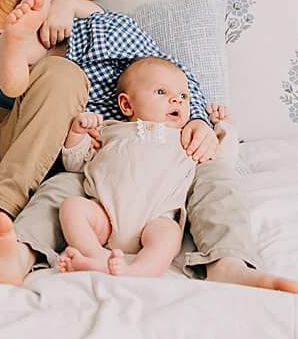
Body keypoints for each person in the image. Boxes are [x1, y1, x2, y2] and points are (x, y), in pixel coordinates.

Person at [0, 0, 295, 292]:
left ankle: (5, 227)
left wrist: (195, 119)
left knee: (63, 78)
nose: (49, 6)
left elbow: (165, 73)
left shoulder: (98, 36)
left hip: (30, 164)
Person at [56, 59, 207, 279]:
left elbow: (217, 158)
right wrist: (77, 134)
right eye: (161, 91)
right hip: (105, 214)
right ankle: (95, 255)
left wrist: (224, 127)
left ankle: (139, 270)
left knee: (170, 235)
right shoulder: (109, 132)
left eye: (183, 96)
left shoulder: (186, 138)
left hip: (156, 220)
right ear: (127, 105)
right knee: (72, 207)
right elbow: (74, 164)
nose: (177, 100)